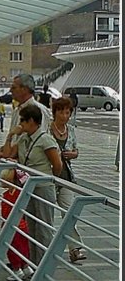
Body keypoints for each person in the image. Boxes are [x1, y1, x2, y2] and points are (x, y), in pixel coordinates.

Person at [0, 103, 62, 267]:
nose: (21, 124)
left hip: (42, 187)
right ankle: (33, 262)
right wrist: (10, 136)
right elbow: (7, 154)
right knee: (31, 227)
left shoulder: (45, 139)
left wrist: (49, 180)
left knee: (44, 227)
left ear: (32, 121)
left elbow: (57, 165)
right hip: (27, 187)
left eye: (24, 121)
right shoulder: (24, 138)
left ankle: (43, 264)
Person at [50, 97, 86, 264]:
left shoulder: (70, 130)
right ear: (55, 112)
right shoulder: (47, 128)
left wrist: (73, 154)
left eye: (67, 112)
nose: (64, 116)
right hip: (49, 176)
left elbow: (76, 150)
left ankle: (75, 248)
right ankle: (44, 248)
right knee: (46, 214)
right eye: (61, 112)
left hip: (66, 177)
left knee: (69, 213)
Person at [0, 73, 52, 164]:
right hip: (12, 159)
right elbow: (15, 138)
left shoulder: (39, 110)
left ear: (24, 89)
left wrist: (18, 158)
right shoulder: (17, 110)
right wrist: (2, 150)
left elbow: (38, 141)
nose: (10, 90)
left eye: (14, 87)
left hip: (29, 165)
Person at [0, 168, 32, 281]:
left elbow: (6, 212)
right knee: (24, 247)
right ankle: (26, 267)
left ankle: (17, 269)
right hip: (22, 225)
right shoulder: (20, 193)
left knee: (12, 249)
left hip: (11, 225)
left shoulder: (10, 195)